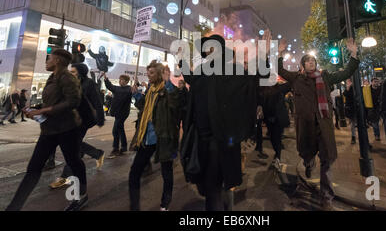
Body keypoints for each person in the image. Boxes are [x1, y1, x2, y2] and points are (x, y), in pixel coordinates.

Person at [180, 33, 270, 211]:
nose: (209, 51)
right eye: (208, 48)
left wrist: (263, 55)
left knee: (215, 187)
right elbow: (191, 83)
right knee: (213, 186)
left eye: (214, 47)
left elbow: (256, 78)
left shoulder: (234, 72)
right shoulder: (200, 73)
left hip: (222, 140)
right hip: (202, 141)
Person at [277, 38, 360, 210]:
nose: (311, 63)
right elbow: (280, 70)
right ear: (302, 65)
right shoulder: (296, 79)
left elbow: (345, 73)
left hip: (324, 125)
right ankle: (308, 163)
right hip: (306, 126)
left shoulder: (325, 77)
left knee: (327, 160)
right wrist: (279, 53)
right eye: (307, 61)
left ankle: (326, 197)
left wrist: (353, 54)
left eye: (313, 61)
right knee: (307, 155)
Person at [6, 49, 87, 211]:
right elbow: (54, 101)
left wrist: (43, 111)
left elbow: (73, 101)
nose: (46, 61)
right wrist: (35, 109)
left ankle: (80, 196)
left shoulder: (67, 77)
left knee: (74, 162)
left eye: (49, 58)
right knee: (34, 168)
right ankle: (14, 206)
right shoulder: (53, 77)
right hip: (49, 129)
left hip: (67, 129)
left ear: (57, 60)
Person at [128, 62, 179, 211]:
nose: (148, 76)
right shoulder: (150, 89)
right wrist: (136, 94)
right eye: (148, 72)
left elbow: (176, 103)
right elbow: (144, 107)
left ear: (159, 74)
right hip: (147, 137)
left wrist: (168, 82)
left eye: (151, 73)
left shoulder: (168, 90)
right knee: (135, 171)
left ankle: (165, 203)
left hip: (164, 137)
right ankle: (134, 205)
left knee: (166, 172)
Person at [49, 63, 106, 189]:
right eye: (70, 71)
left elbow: (97, 101)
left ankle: (65, 177)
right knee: (75, 147)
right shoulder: (68, 83)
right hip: (69, 119)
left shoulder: (88, 83)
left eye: (73, 71)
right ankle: (97, 153)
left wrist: (101, 119)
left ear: (80, 73)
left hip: (83, 120)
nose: (71, 73)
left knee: (72, 147)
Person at [258, 81, 291, 169]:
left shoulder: (279, 89)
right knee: (273, 138)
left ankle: (277, 157)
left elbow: (290, 83)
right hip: (269, 119)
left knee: (277, 138)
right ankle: (277, 155)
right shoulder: (262, 89)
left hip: (277, 119)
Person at [104, 74, 133, 158]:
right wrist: (106, 79)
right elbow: (110, 86)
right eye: (120, 79)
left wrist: (136, 86)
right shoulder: (118, 88)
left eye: (122, 80)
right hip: (117, 113)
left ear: (127, 81)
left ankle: (116, 149)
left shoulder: (128, 89)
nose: (120, 81)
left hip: (122, 113)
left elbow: (112, 87)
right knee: (119, 129)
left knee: (116, 130)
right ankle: (123, 147)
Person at [343, 79, 357, 144]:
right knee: (352, 123)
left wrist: (348, 88)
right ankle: (353, 137)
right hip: (350, 109)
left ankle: (354, 137)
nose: (347, 83)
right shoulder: (348, 88)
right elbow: (344, 94)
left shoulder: (354, 88)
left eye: (348, 82)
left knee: (354, 123)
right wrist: (347, 88)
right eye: (346, 82)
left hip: (355, 108)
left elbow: (351, 95)